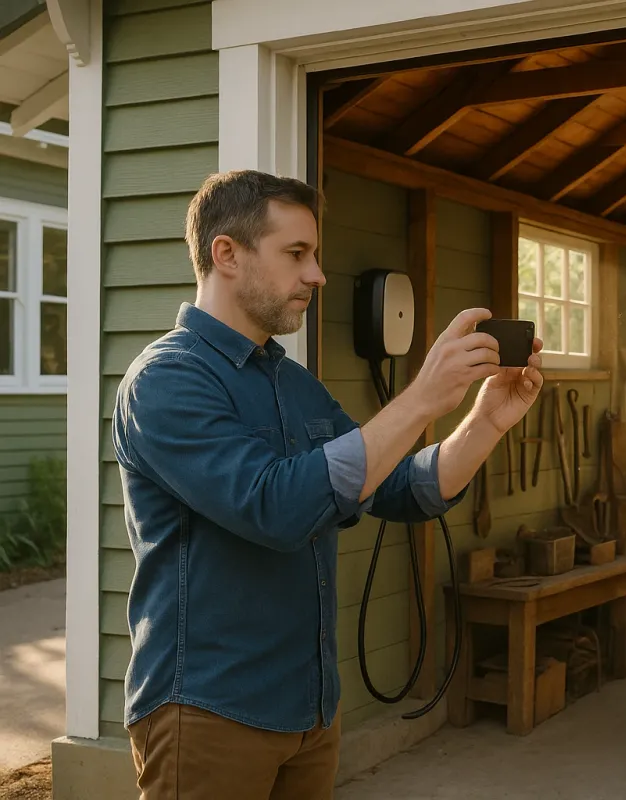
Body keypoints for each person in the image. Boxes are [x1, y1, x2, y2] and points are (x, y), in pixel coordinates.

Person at [110, 170, 543, 799]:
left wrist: (485, 422)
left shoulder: (296, 385)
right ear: (226, 254)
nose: (316, 274)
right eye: (296, 254)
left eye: (314, 255)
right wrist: (421, 398)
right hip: (208, 713)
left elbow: (401, 489)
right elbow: (275, 507)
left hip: (310, 710)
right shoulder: (166, 381)